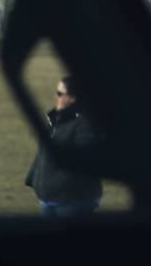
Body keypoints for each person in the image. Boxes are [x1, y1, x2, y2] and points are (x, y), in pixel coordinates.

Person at [25, 76, 102, 217]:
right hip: (49, 199)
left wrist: (60, 184)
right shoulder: (58, 118)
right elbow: (44, 151)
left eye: (60, 93)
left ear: (73, 98)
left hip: (72, 202)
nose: (56, 96)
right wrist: (34, 177)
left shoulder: (85, 123)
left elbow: (84, 160)